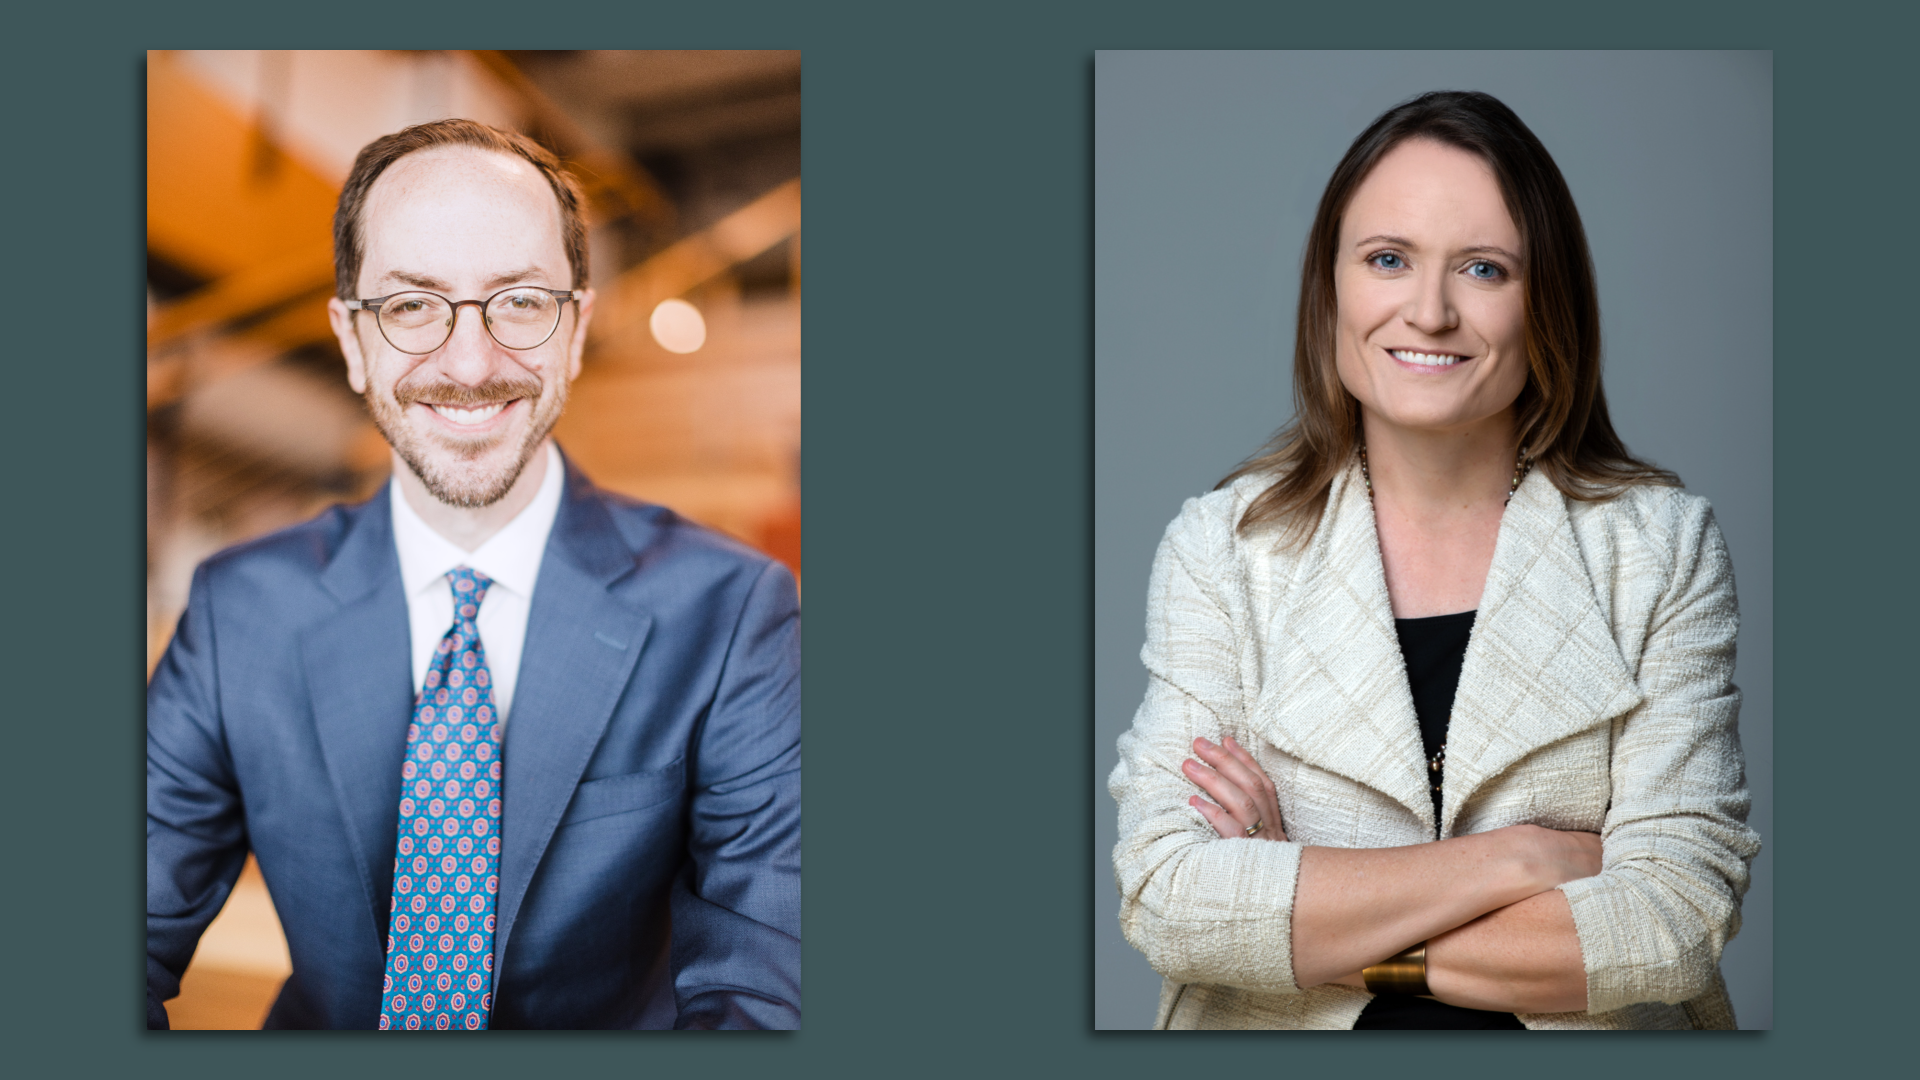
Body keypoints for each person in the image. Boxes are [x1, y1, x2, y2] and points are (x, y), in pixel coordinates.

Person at [1107, 91, 1758, 1030]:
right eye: (1387, 260)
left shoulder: (1659, 548)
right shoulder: (1224, 547)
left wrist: (1303, 907)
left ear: (1546, 303)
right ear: (1331, 287)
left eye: (1484, 269)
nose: (1430, 311)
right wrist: (1522, 861)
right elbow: (1172, 898)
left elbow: (1670, 922)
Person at [146, 120, 801, 1030]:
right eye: (412, 305)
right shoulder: (238, 612)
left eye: (521, 300)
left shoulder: (732, 614)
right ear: (351, 338)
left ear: (574, 329)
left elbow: (767, 999)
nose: (468, 361)